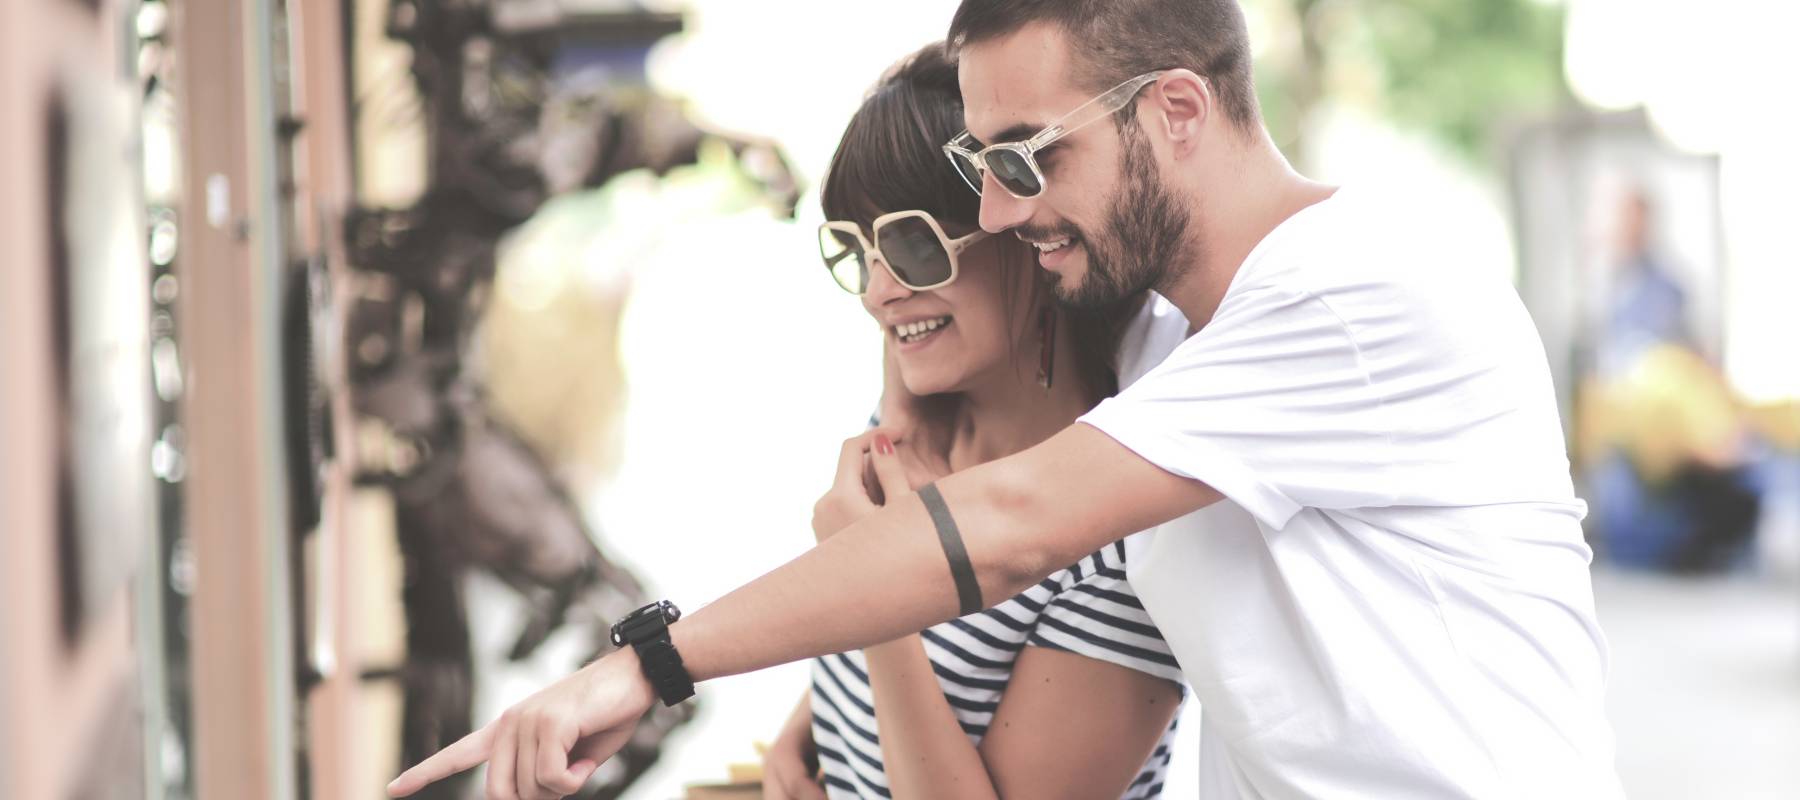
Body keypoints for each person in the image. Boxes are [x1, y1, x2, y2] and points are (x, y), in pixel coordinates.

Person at [388, 2, 1624, 798]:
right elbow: (943, 332)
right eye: (982, 167)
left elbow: (1013, 520)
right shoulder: (1160, 338)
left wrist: (644, 661)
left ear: (1179, 111)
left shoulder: (1354, 296)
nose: (996, 210)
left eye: (1027, 157)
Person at [761, 44, 1186, 800]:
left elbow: (900, 641)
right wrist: (813, 717)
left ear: (1028, 229)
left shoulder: (1124, 552)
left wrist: (875, 585)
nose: (878, 293)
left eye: (914, 243)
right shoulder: (914, 437)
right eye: (858, 251)